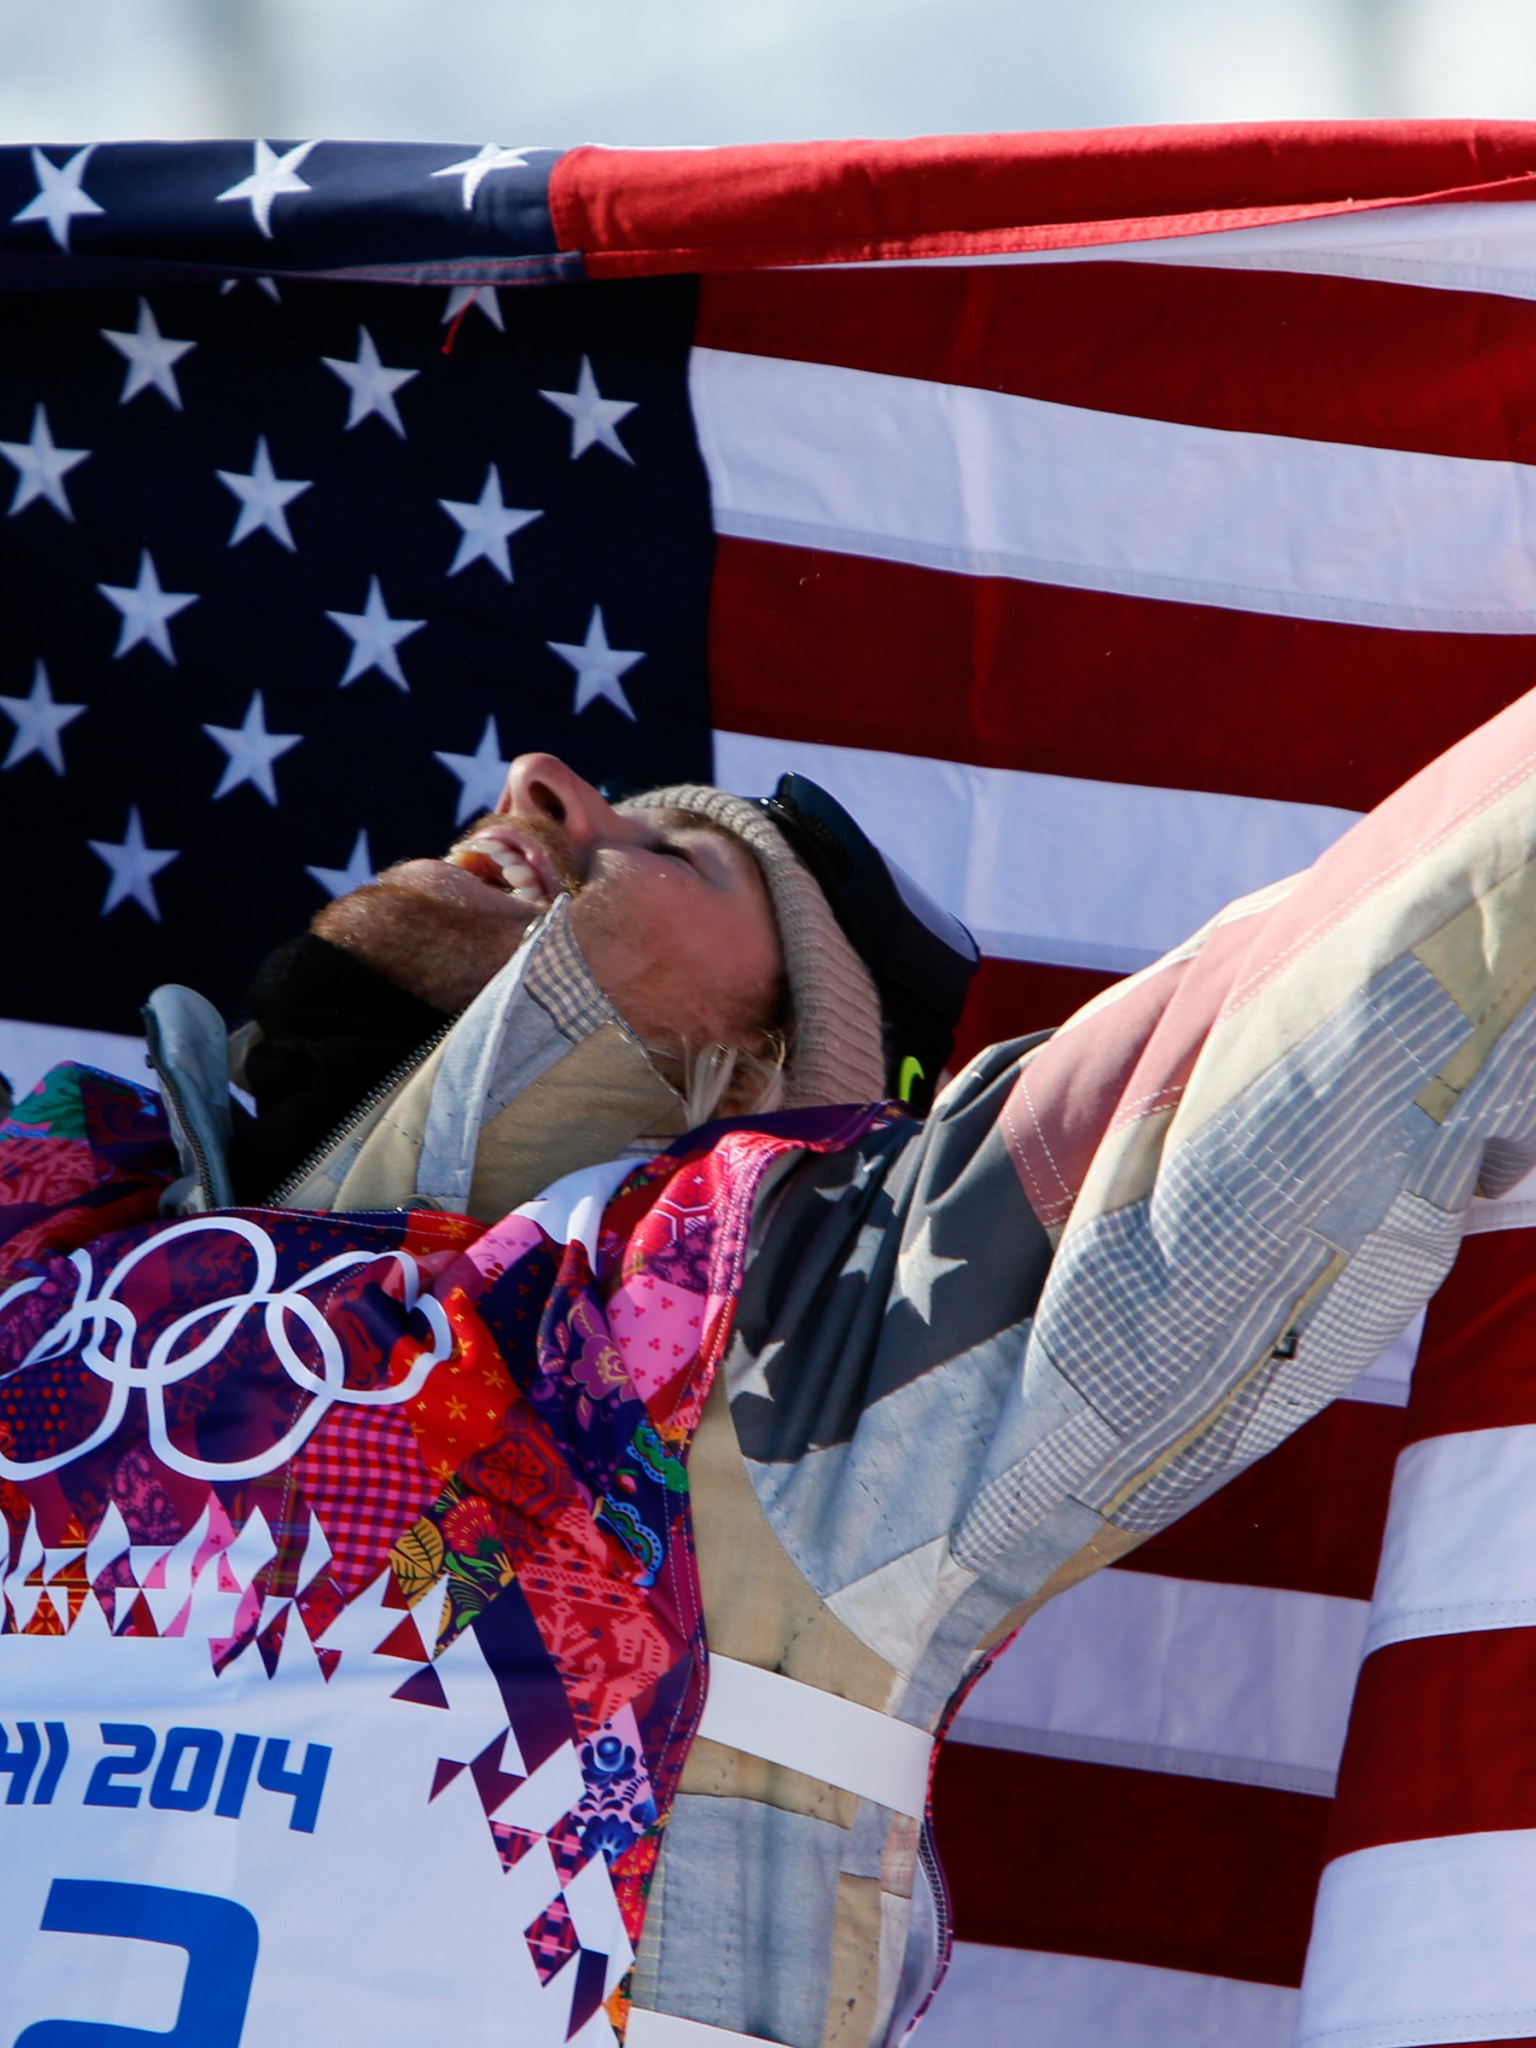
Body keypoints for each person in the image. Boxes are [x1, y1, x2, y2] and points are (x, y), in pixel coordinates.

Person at [5, 694, 1536, 2048]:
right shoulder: (36, 1278)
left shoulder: (798, 1341)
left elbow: (1385, 969)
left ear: (767, 1070)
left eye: (687, 857)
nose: (538, 785)